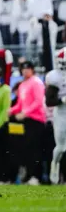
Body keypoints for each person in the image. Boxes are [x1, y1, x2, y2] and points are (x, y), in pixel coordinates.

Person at [9, 61, 46, 185]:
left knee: (35, 148)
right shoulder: (22, 85)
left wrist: (25, 112)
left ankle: (37, 176)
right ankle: (30, 175)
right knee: (27, 149)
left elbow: (38, 101)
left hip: (36, 119)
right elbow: (20, 104)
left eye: (28, 69)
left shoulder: (36, 82)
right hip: (26, 120)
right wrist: (10, 111)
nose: (25, 71)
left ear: (32, 70)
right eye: (23, 69)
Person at [45, 48, 66, 184]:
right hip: (62, 113)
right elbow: (49, 101)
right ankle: (55, 164)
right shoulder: (54, 77)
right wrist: (62, 100)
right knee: (61, 147)